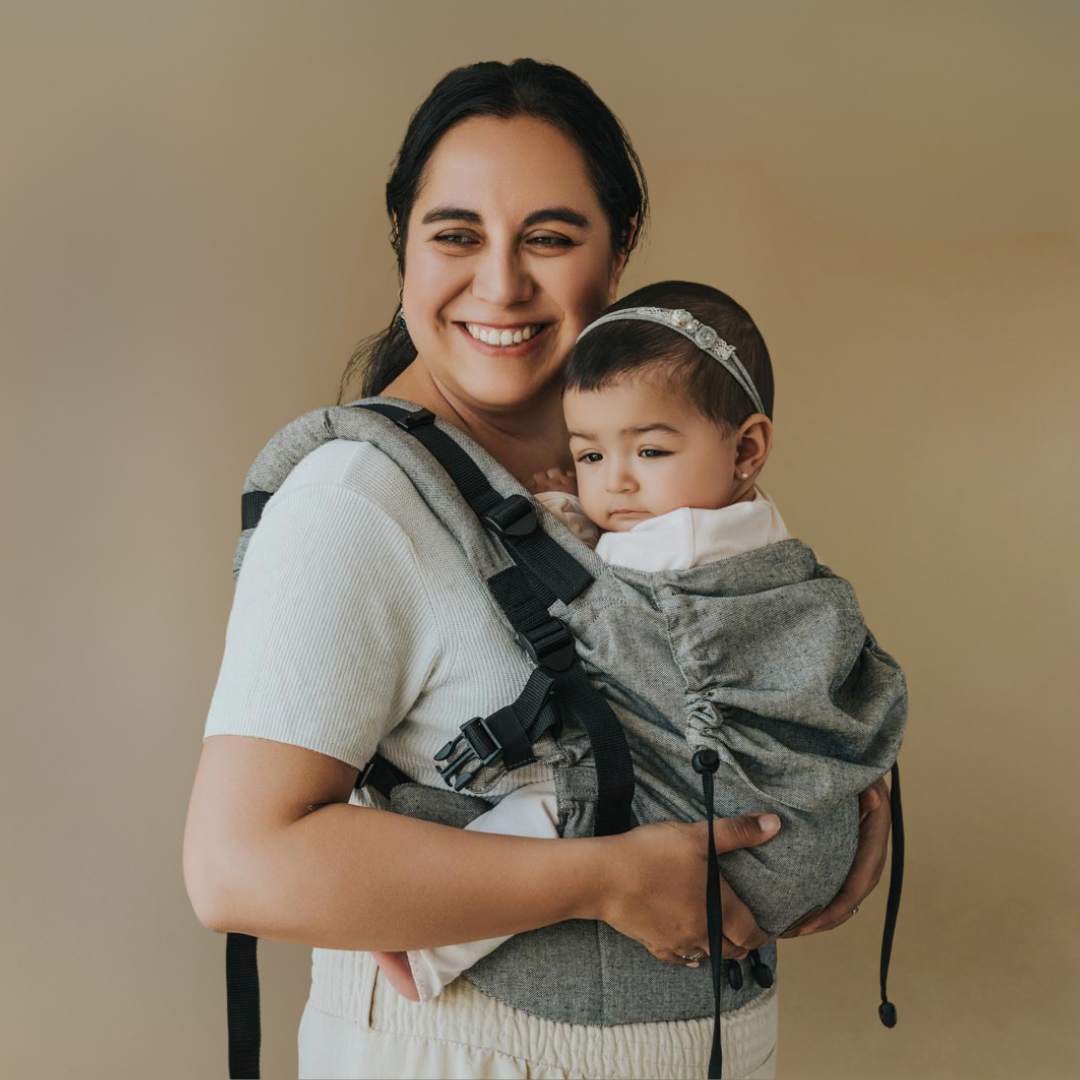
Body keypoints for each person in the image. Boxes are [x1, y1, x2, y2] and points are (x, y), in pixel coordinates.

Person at [183, 60, 894, 1080]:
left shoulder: (635, 472)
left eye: (550, 237)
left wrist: (840, 788)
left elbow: (722, 662)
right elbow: (236, 866)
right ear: (403, 245)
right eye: (456, 234)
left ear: (621, 251)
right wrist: (601, 880)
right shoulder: (357, 500)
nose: (502, 283)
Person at [368, 280, 905, 1008]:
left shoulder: (675, 543)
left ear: (748, 447)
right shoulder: (764, 537)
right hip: (798, 842)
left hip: (739, 847)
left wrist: (553, 520)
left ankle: (426, 952)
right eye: (589, 456)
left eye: (649, 450)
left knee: (554, 809)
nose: (614, 483)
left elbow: (596, 606)